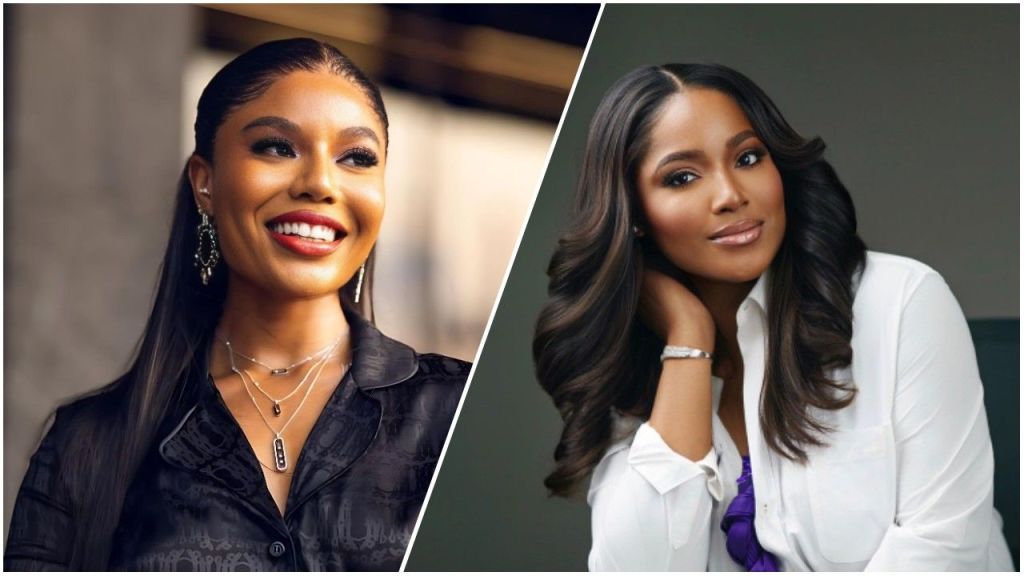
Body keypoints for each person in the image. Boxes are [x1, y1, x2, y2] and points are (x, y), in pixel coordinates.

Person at [5, 38, 469, 571]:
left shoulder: (462, 410)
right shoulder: (87, 445)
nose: (320, 182)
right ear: (205, 183)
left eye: (357, 158)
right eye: (276, 147)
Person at [532, 63, 1013, 571]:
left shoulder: (901, 300)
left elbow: (942, 551)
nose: (731, 195)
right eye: (682, 177)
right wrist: (688, 337)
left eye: (747, 157)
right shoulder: (636, 366)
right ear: (632, 215)